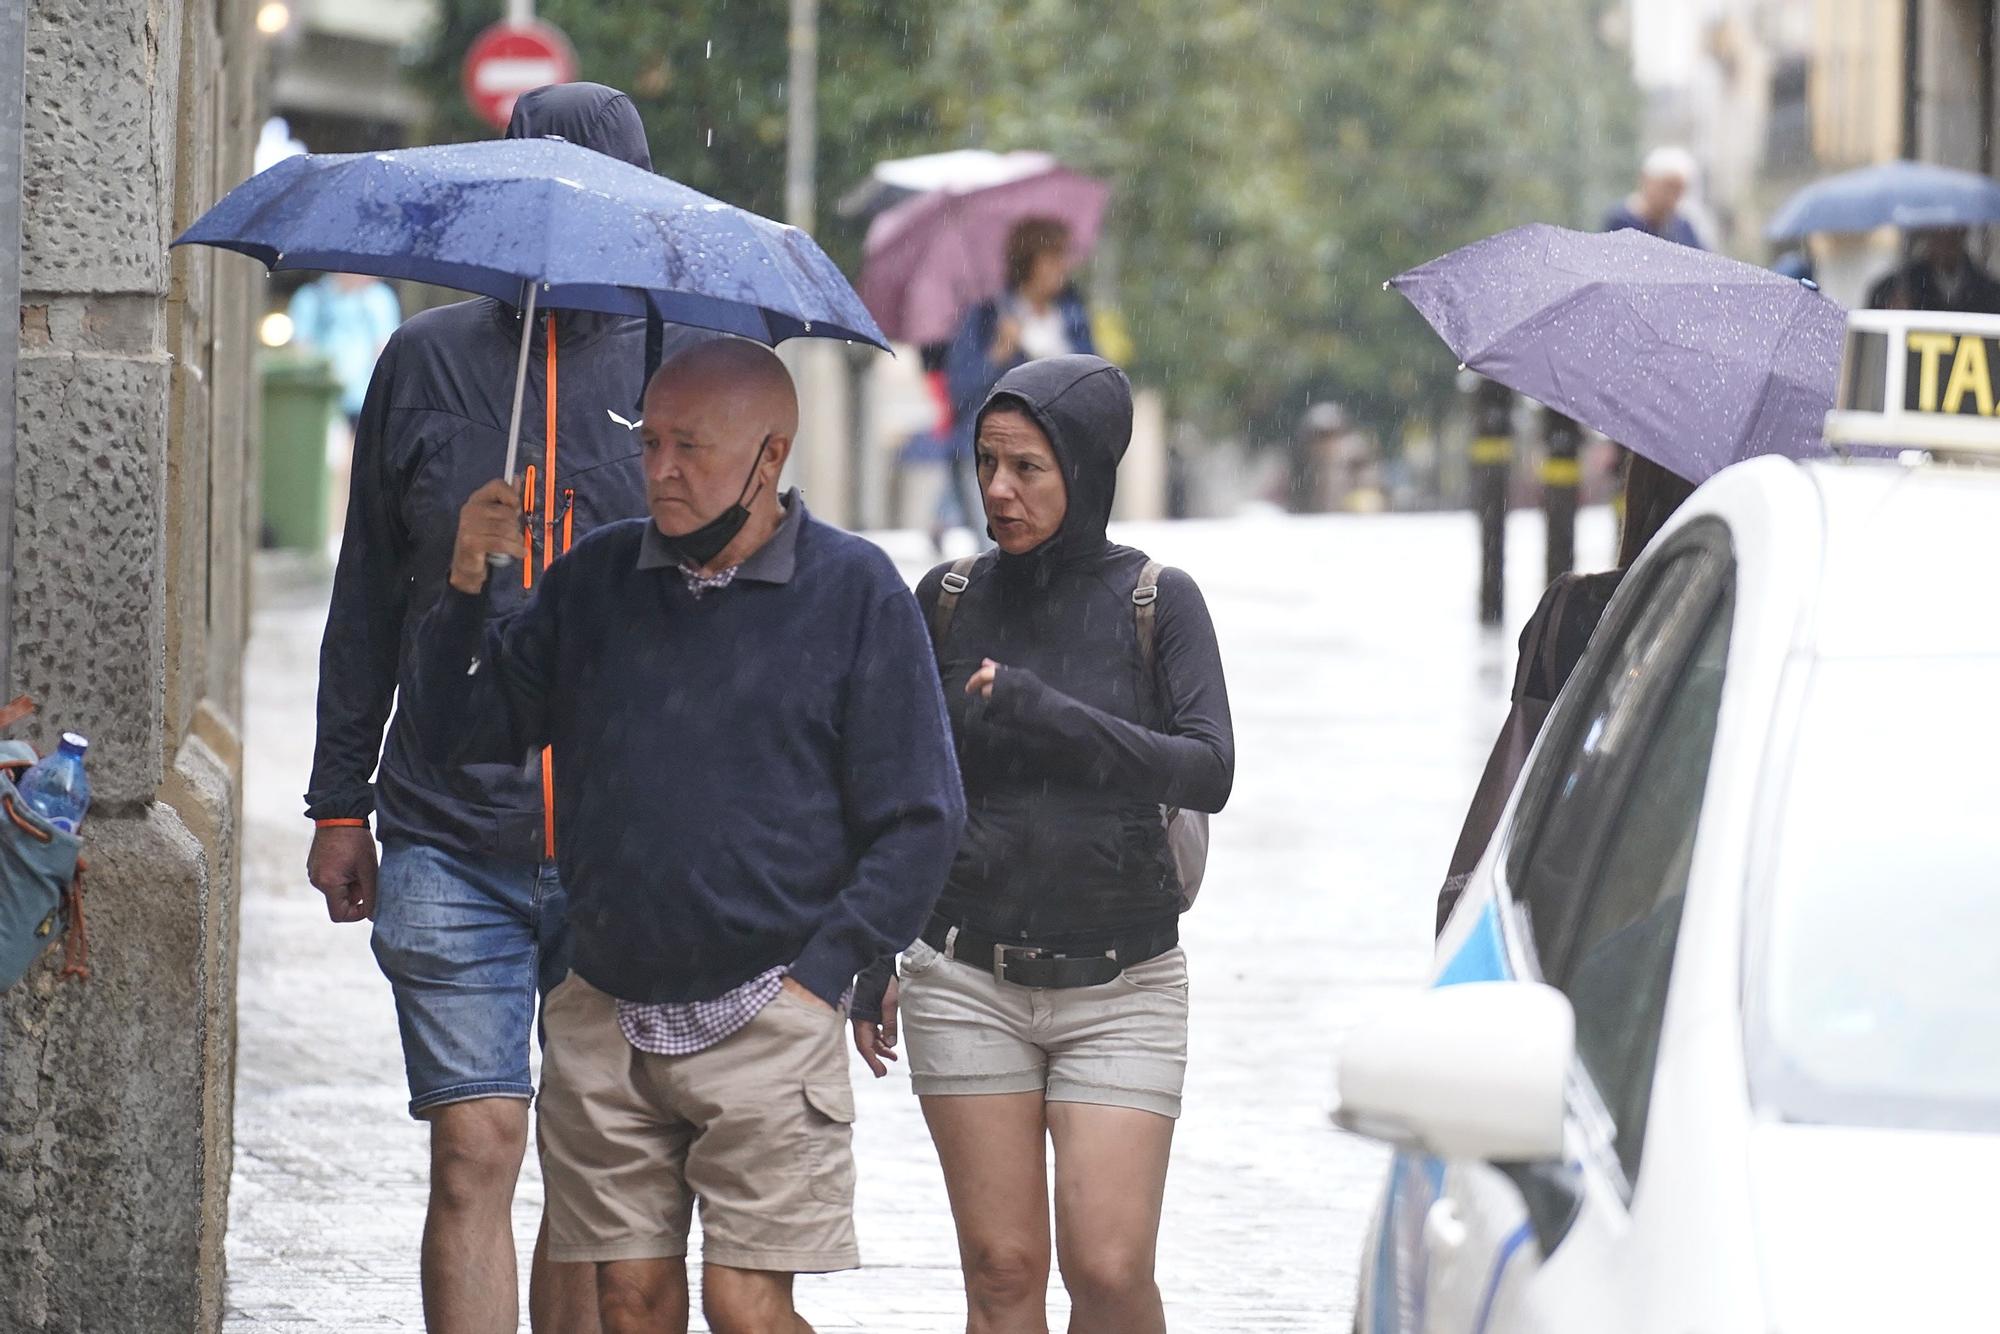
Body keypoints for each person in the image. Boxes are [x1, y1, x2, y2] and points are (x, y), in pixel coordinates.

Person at [415, 338, 965, 1334]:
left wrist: (821, 976)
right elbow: (460, 734)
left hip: (771, 1005)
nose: (658, 468)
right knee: (628, 1303)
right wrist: (466, 588)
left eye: (690, 447)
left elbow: (921, 815)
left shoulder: (854, 590)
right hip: (606, 1003)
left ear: (770, 456)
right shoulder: (593, 580)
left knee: (747, 1307)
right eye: (650, 440)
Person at [302, 83, 709, 1334]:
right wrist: (338, 801)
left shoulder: (680, 374)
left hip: (617, 840)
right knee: (477, 1144)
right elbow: (365, 593)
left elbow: (734, 615)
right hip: (444, 825)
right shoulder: (421, 364)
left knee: (596, 1179)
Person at [850, 355, 1235, 1334]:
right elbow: (888, 781)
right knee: (1002, 1269)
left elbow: (1208, 771)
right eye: (985, 463)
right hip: (965, 975)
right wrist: (870, 947)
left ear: (1086, 467)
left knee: (1106, 1268)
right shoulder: (942, 597)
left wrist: (1050, 712)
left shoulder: (1159, 600)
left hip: (1124, 985)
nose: (996, 489)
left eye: (1027, 466)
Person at [1435, 451, 1696, 935]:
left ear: (1637, 493)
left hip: (1572, 912)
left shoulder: (1575, 614)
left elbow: (1516, 782)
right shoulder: (1775, 633)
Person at [944, 218, 1097, 543]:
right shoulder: (987, 316)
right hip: (996, 452)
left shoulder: (1072, 315)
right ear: (1030, 261)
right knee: (998, 549)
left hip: (1059, 455)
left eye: (1064, 257)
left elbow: (1094, 377)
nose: (1062, 267)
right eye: (1053, 257)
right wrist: (998, 354)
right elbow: (961, 390)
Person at [287, 271, 402, 430]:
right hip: (322, 397)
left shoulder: (380, 298)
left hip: (365, 398)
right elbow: (301, 349)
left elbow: (384, 347)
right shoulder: (311, 297)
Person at [1866, 226, 2000, 314]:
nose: (1945, 236)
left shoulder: (1991, 292)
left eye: (1952, 228)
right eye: (1938, 229)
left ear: (1963, 231)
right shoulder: (1891, 290)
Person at [1602, 146, 1706, 249]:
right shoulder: (1621, 221)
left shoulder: (1683, 227)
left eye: (1679, 191)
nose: (1672, 197)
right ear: (1647, 181)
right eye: (1668, 188)